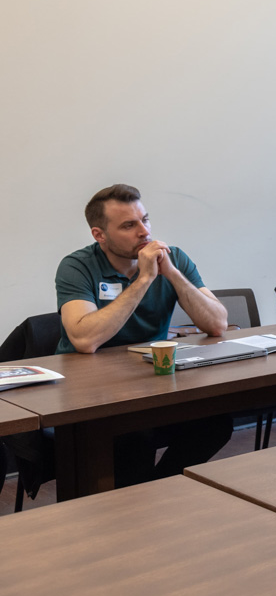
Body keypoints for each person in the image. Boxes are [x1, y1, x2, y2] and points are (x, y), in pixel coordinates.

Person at [54, 184, 232, 486]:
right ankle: (135, 503)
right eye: (129, 225)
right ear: (99, 235)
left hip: (150, 382)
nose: (144, 232)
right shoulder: (77, 266)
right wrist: (144, 278)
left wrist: (172, 274)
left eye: (145, 220)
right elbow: (85, 340)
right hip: (89, 390)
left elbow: (217, 324)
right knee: (134, 436)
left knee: (215, 422)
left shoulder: (172, 257)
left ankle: (158, 489)